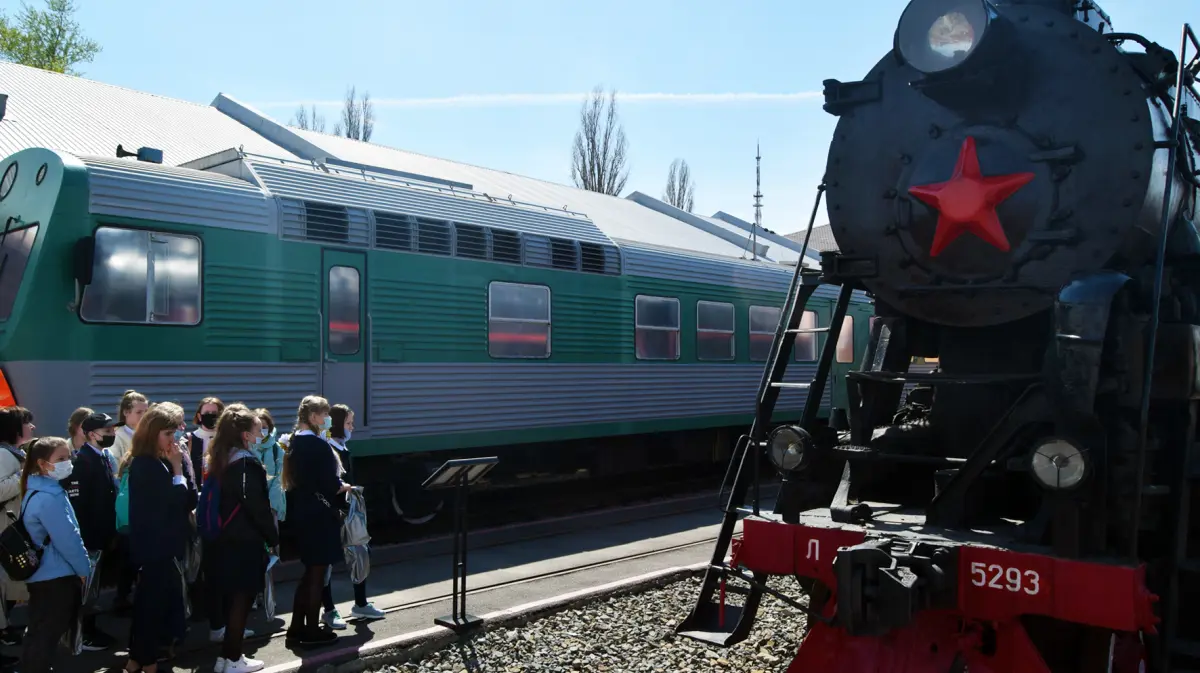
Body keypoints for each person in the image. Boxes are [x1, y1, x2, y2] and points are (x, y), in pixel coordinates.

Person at [122, 402, 195, 673]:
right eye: (168, 434)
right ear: (153, 433)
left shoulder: (156, 461)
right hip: (155, 548)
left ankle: (138, 659)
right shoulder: (146, 464)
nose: (173, 440)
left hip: (160, 546)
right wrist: (178, 470)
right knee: (150, 606)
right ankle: (146, 660)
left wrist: (179, 466)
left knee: (151, 604)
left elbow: (188, 499)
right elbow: (177, 501)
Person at [207, 407, 277, 673]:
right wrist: (272, 538)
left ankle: (225, 658)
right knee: (242, 599)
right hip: (243, 540)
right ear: (246, 435)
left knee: (233, 599)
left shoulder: (222, 457)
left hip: (226, 538)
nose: (262, 434)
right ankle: (234, 659)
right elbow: (256, 507)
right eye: (259, 430)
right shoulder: (245, 463)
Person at [17, 436, 92, 673]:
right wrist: (84, 569)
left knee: (39, 632)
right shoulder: (50, 497)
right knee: (47, 635)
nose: (67, 463)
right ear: (42, 463)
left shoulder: (34, 491)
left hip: (42, 575)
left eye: (68, 457)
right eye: (60, 459)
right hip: (56, 577)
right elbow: (68, 539)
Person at [283, 395, 348, 648]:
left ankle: (296, 628)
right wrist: (344, 487)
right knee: (317, 574)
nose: (328, 419)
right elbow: (330, 484)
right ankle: (311, 630)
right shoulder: (320, 447)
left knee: (309, 572)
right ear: (312, 417)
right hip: (320, 517)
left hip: (301, 513)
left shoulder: (293, 443)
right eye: (324, 415)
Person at [321, 405, 383, 628]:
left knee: (360, 551)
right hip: (333, 511)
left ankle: (360, 603)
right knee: (327, 561)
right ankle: (328, 609)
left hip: (350, 510)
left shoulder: (341, 446)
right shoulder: (328, 448)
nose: (352, 428)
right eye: (348, 423)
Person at [63, 412, 120, 651]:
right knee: (86, 590)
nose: (111, 435)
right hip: (90, 537)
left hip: (103, 535)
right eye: (107, 432)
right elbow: (79, 506)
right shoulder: (82, 461)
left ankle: (90, 628)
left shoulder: (103, 457)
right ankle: (82, 634)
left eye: (112, 430)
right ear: (91, 435)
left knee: (94, 589)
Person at [0, 407, 34, 651]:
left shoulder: (15, 453)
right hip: (6, 533)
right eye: (27, 423)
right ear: (14, 428)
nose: (32, 427)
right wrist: (25, 474)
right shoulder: (4, 455)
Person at [110, 390, 148, 467]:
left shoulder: (149, 435)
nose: (144, 416)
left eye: (146, 411)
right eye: (139, 412)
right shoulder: (115, 438)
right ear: (126, 412)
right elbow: (115, 469)